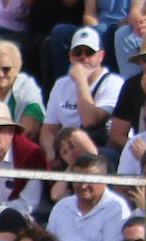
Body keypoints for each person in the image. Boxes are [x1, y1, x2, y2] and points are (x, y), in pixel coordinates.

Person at [40, 27, 121, 162]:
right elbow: (48, 128)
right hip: (68, 153)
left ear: (101, 56)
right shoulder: (61, 84)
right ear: (71, 57)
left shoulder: (113, 82)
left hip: (98, 152)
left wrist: (80, 80)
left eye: (89, 52)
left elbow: (90, 120)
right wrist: (50, 153)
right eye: (78, 52)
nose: (83, 57)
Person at [46, 152, 132, 241]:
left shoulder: (116, 207)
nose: (83, 185)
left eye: (90, 179)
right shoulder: (61, 206)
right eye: (78, 179)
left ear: (104, 179)